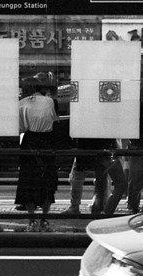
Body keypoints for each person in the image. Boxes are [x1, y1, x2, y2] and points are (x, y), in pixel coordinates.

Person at [15, 73, 61, 231]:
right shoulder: (50, 101)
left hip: (29, 142)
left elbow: (20, 128)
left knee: (28, 182)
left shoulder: (21, 103)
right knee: (47, 181)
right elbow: (56, 120)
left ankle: (31, 219)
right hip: (47, 142)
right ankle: (45, 218)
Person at [64, 137, 126, 217]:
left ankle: (99, 212)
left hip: (92, 148)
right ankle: (105, 213)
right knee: (115, 184)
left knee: (99, 184)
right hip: (106, 150)